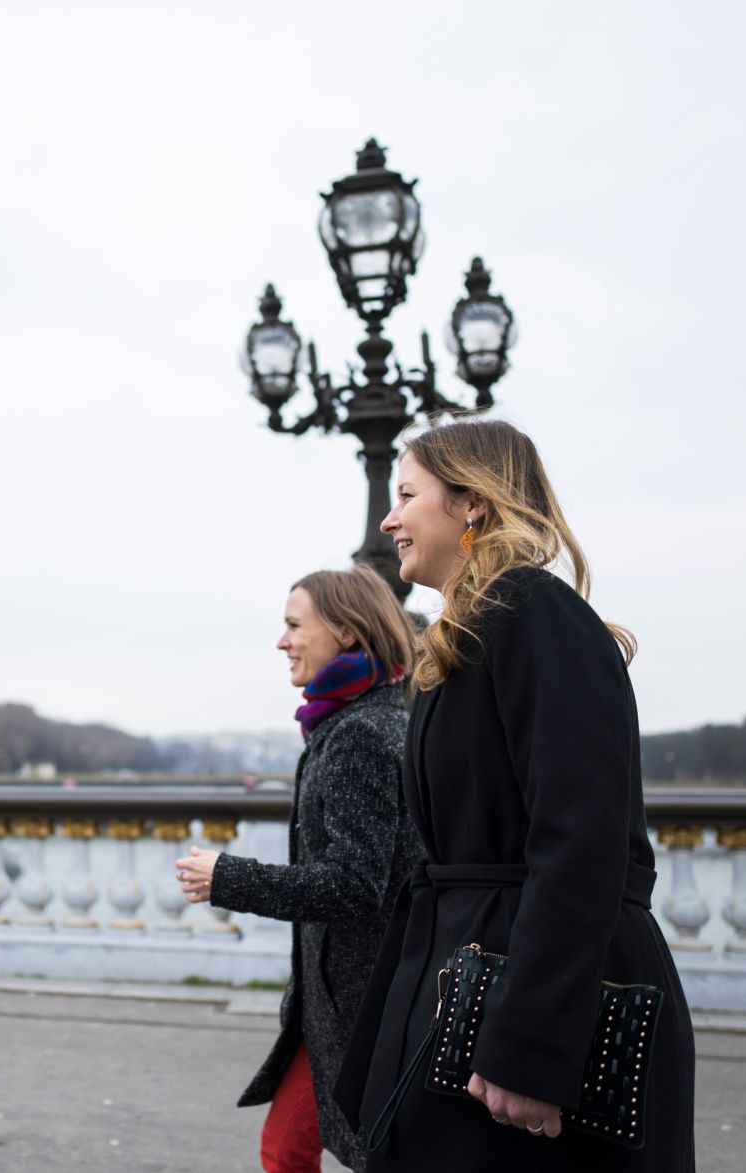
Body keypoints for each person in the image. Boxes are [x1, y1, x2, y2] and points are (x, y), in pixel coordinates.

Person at [332, 418, 696, 1171]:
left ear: (472, 502)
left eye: (407, 495)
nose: (388, 520)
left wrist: (530, 1045)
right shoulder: (470, 633)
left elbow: (582, 841)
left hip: (516, 1006)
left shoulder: (533, 611)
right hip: (473, 983)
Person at [175, 565, 419, 1172]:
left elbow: (354, 885)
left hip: (367, 1004)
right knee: (287, 1148)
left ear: (346, 630)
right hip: (346, 1002)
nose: (282, 642)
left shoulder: (360, 733)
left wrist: (228, 878)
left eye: (293, 626)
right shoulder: (364, 719)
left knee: (317, 1152)